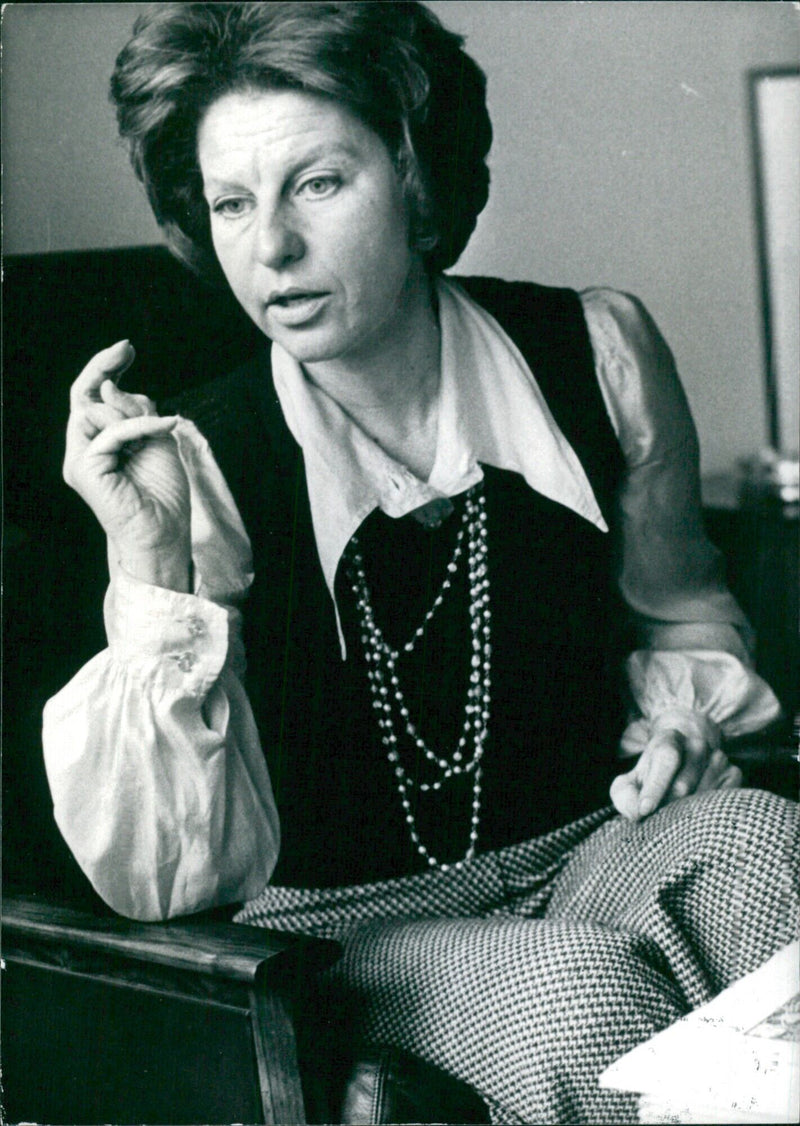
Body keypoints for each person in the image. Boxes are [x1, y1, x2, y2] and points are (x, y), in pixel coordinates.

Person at [42, 3, 798, 1123]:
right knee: (573, 997)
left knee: (763, 844)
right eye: (232, 204)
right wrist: (148, 565)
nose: (271, 250)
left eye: (317, 184)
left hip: (584, 844)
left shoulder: (596, 354)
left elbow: (680, 615)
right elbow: (164, 885)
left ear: (415, 174)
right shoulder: (196, 464)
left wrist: (679, 727)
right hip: (347, 927)